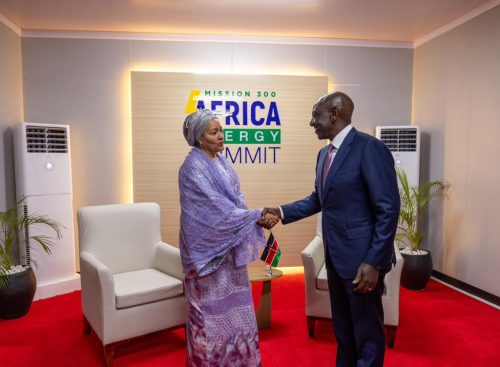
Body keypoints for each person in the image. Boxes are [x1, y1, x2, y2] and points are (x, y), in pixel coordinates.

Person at [263, 92, 400, 367]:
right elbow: (318, 199)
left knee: (367, 336)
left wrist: (374, 261)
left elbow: (388, 209)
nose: (311, 122)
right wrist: (281, 211)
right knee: (345, 333)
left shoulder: (369, 148)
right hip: (336, 260)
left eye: (316, 115)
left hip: (363, 262)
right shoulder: (323, 154)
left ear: (335, 114)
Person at [178, 109, 277, 367]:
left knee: (237, 313)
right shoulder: (191, 168)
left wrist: (250, 216)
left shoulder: (220, 161)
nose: (222, 136)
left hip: (229, 250)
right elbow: (213, 210)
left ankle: (238, 361)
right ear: (199, 138)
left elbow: (233, 202)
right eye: (214, 132)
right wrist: (254, 216)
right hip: (206, 256)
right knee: (207, 319)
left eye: (221, 130)